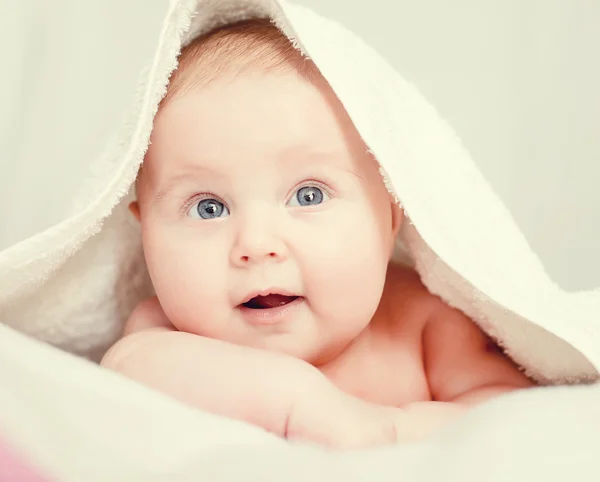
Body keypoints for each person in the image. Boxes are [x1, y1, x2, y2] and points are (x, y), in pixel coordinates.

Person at [101, 18, 533, 448]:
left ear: (390, 218)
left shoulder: (425, 324)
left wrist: (393, 428)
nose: (256, 244)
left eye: (308, 196)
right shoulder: (165, 335)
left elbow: (514, 412)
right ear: (147, 236)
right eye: (208, 207)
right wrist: (294, 402)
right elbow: (125, 372)